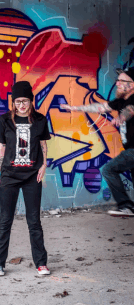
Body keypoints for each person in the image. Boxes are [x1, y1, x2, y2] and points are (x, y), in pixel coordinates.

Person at [0, 81, 51, 276]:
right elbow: (0, 148)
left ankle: (41, 263)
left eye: (25, 101)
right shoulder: (5, 121)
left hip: (32, 176)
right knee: (5, 220)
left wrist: (43, 165)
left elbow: (43, 145)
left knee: (34, 221)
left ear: (31, 101)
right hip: (9, 175)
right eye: (17, 101)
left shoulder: (40, 120)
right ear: (13, 102)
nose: (21, 105)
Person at [61, 67, 134, 217]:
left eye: (122, 81)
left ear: (131, 85)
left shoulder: (132, 101)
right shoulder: (120, 101)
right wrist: (75, 108)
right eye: (118, 80)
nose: (118, 83)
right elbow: (99, 107)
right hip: (130, 150)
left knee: (109, 169)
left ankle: (126, 205)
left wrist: (121, 118)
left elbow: (130, 110)